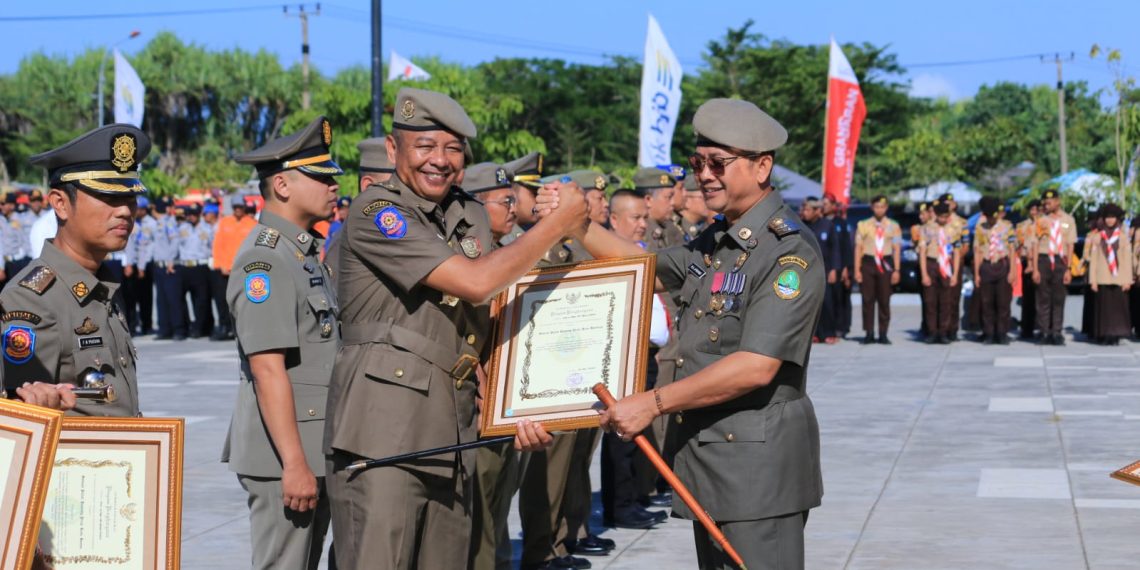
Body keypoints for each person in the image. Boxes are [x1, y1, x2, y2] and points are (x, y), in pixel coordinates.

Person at [543, 97, 825, 570]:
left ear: (762, 166)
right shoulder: (719, 241)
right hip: (714, 458)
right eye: (699, 163)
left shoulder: (786, 251)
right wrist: (575, 223)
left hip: (757, 471)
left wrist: (651, 403)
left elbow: (756, 366)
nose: (704, 176)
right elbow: (643, 267)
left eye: (718, 163)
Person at [323, 87, 569, 570]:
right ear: (393, 150)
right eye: (425, 146)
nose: (440, 159)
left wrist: (518, 405)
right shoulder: (376, 213)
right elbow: (476, 283)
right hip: (383, 434)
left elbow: (490, 317)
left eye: (453, 148)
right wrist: (558, 224)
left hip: (454, 430)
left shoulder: (467, 212)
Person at [220, 116, 341, 570]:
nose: (333, 185)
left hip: (310, 448)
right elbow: (267, 368)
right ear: (283, 185)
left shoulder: (300, 253)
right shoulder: (265, 260)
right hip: (284, 459)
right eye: (321, 177)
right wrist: (294, 463)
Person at [0, 124, 149, 417]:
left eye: (130, 198)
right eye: (109, 198)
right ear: (60, 204)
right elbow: (19, 419)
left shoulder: (103, 285)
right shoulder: (31, 299)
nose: (124, 211)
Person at [463, 162, 526, 570]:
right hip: (480, 405)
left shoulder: (506, 256)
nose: (514, 209)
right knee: (481, 517)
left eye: (514, 200)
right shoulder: (465, 263)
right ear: (477, 206)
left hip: (508, 404)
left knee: (500, 506)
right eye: (505, 201)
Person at [853, 195, 901, 344]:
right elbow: (858, 248)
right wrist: (857, 270)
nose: (879, 210)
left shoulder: (894, 226)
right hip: (868, 262)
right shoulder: (863, 225)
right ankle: (869, 332)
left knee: (884, 299)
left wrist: (897, 270)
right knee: (867, 299)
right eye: (876, 207)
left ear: (886, 208)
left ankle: (883, 333)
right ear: (872, 208)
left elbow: (896, 249)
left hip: (886, 263)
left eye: (882, 207)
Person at [1031, 189, 1077, 345]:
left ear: (1058, 201)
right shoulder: (1040, 221)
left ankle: (1057, 332)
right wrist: (1035, 269)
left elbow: (1070, 245)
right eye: (1045, 203)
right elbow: (1035, 245)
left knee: (1059, 298)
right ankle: (1044, 331)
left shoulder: (1068, 220)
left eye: (1049, 202)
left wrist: (1068, 269)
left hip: (1060, 260)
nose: (1046, 205)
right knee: (1043, 298)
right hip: (1044, 260)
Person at [211, 195, 258, 341]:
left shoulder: (252, 224)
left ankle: (241, 329)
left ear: (244, 207)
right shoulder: (225, 222)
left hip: (243, 270)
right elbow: (218, 245)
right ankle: (225, 327)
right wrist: (220, 265)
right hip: (224, 270)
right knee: (222, 300)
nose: (238, 209)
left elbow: (254, 248)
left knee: (242, 301)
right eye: (235, 207)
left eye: (240, 207)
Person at [972, 197, 1016, 345]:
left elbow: (1012, 249)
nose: (991, 219)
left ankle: (1002, 333)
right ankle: (989, 333)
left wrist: (1012, 271)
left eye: (993, 216)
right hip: (986, 266)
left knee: (1003, 302)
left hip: (1002, 264)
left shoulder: (1007, 227)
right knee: (987, 302)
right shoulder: (980, 228)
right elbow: (977, 251)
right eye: (988, 216)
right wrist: (977, 274)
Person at [1086, 203, 1132, 345]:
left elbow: (1127, 261)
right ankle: (1104, 334)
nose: (1110, 220)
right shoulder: (1098, 237)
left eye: (1113, 217)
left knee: (1117, 308)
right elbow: (1094, 260)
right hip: (1102, 277)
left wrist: (1127, 280)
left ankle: (1116, 334)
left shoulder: (1122, 238)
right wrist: (1093, 280)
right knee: (1104, 308)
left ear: (1117, 219)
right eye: (1107, 217)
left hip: (1119, 278)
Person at [919, 200, 963, 344]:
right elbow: (922, 252)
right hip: (932, 263)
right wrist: (924, 273)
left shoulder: (954, 230)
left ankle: (943, 332)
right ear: (936, 215)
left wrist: (955, 274)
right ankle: (932, 332)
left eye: (946, 216)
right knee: (930, 301)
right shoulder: (927, 229)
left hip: (946, 265)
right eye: (941, 216)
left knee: (946, 301)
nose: (943, 219)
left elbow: (957, 252)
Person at [800, 197, 840, 343]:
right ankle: (813, 334)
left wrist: (834, 269)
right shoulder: (801, 226)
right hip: (806, 270)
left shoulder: (827, 225)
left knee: (827, 302)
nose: (804, 212)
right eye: (803, 209)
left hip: (825, 270)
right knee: (809, 303)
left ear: (817, 211)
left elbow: (835, 249)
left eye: (808, 210)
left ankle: (829, 333)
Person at [176, 204, 214, 338]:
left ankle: (201, 327)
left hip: (200, 266)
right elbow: (177, 246)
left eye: (194, 214)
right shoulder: (182, 228)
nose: (191, 216)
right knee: (180, 299)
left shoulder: (207, 228)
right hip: (185, 266)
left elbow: (212, 247)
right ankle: (185, 326)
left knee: (201, 299)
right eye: (189, 214)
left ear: (199, 214)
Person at [151, 197, 183, 340]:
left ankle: (178, 330)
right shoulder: (156, 223)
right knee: (161, 300)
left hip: (169, 266)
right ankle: (164, 329)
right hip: (158, 266)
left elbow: (175, 241)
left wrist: (171, 260)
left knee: (173, 300)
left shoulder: (169, 223)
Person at [122, 195, 155, 335]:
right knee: (130, 297)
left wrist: (143, 266)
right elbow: (129, 245)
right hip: (132, 263)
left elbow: (150, 246)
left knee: (146, 297)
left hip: (146, 263)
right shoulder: (131, 222)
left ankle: (147, 325)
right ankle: (132, 325)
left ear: (144, 210)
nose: (136, 211)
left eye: (139, 209)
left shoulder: (152, 224)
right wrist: (129, 263)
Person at [639, 168, 684, 251]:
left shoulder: (670, 228)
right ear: (648, 200)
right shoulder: (639, 232)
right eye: (668, 197)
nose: (672, 203)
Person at [1015, 200, 1040, 340]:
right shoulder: (1022, 226)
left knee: (1042, 297)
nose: (1034, 212)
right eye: (1032, 209)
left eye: (1037, 209)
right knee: (1027, 297)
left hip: (1042, 262)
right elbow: (1017, 245)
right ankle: (1027, 328)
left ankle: (1042, 328)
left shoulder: (1045, 224)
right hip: (1026, 262)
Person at [912, 202, 933, 339]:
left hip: (935, 264)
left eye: (923, 213)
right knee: (925, 298)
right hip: (922, 265)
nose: (921, 217)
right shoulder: (918, 228)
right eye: (920, 214)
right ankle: (926, 324)